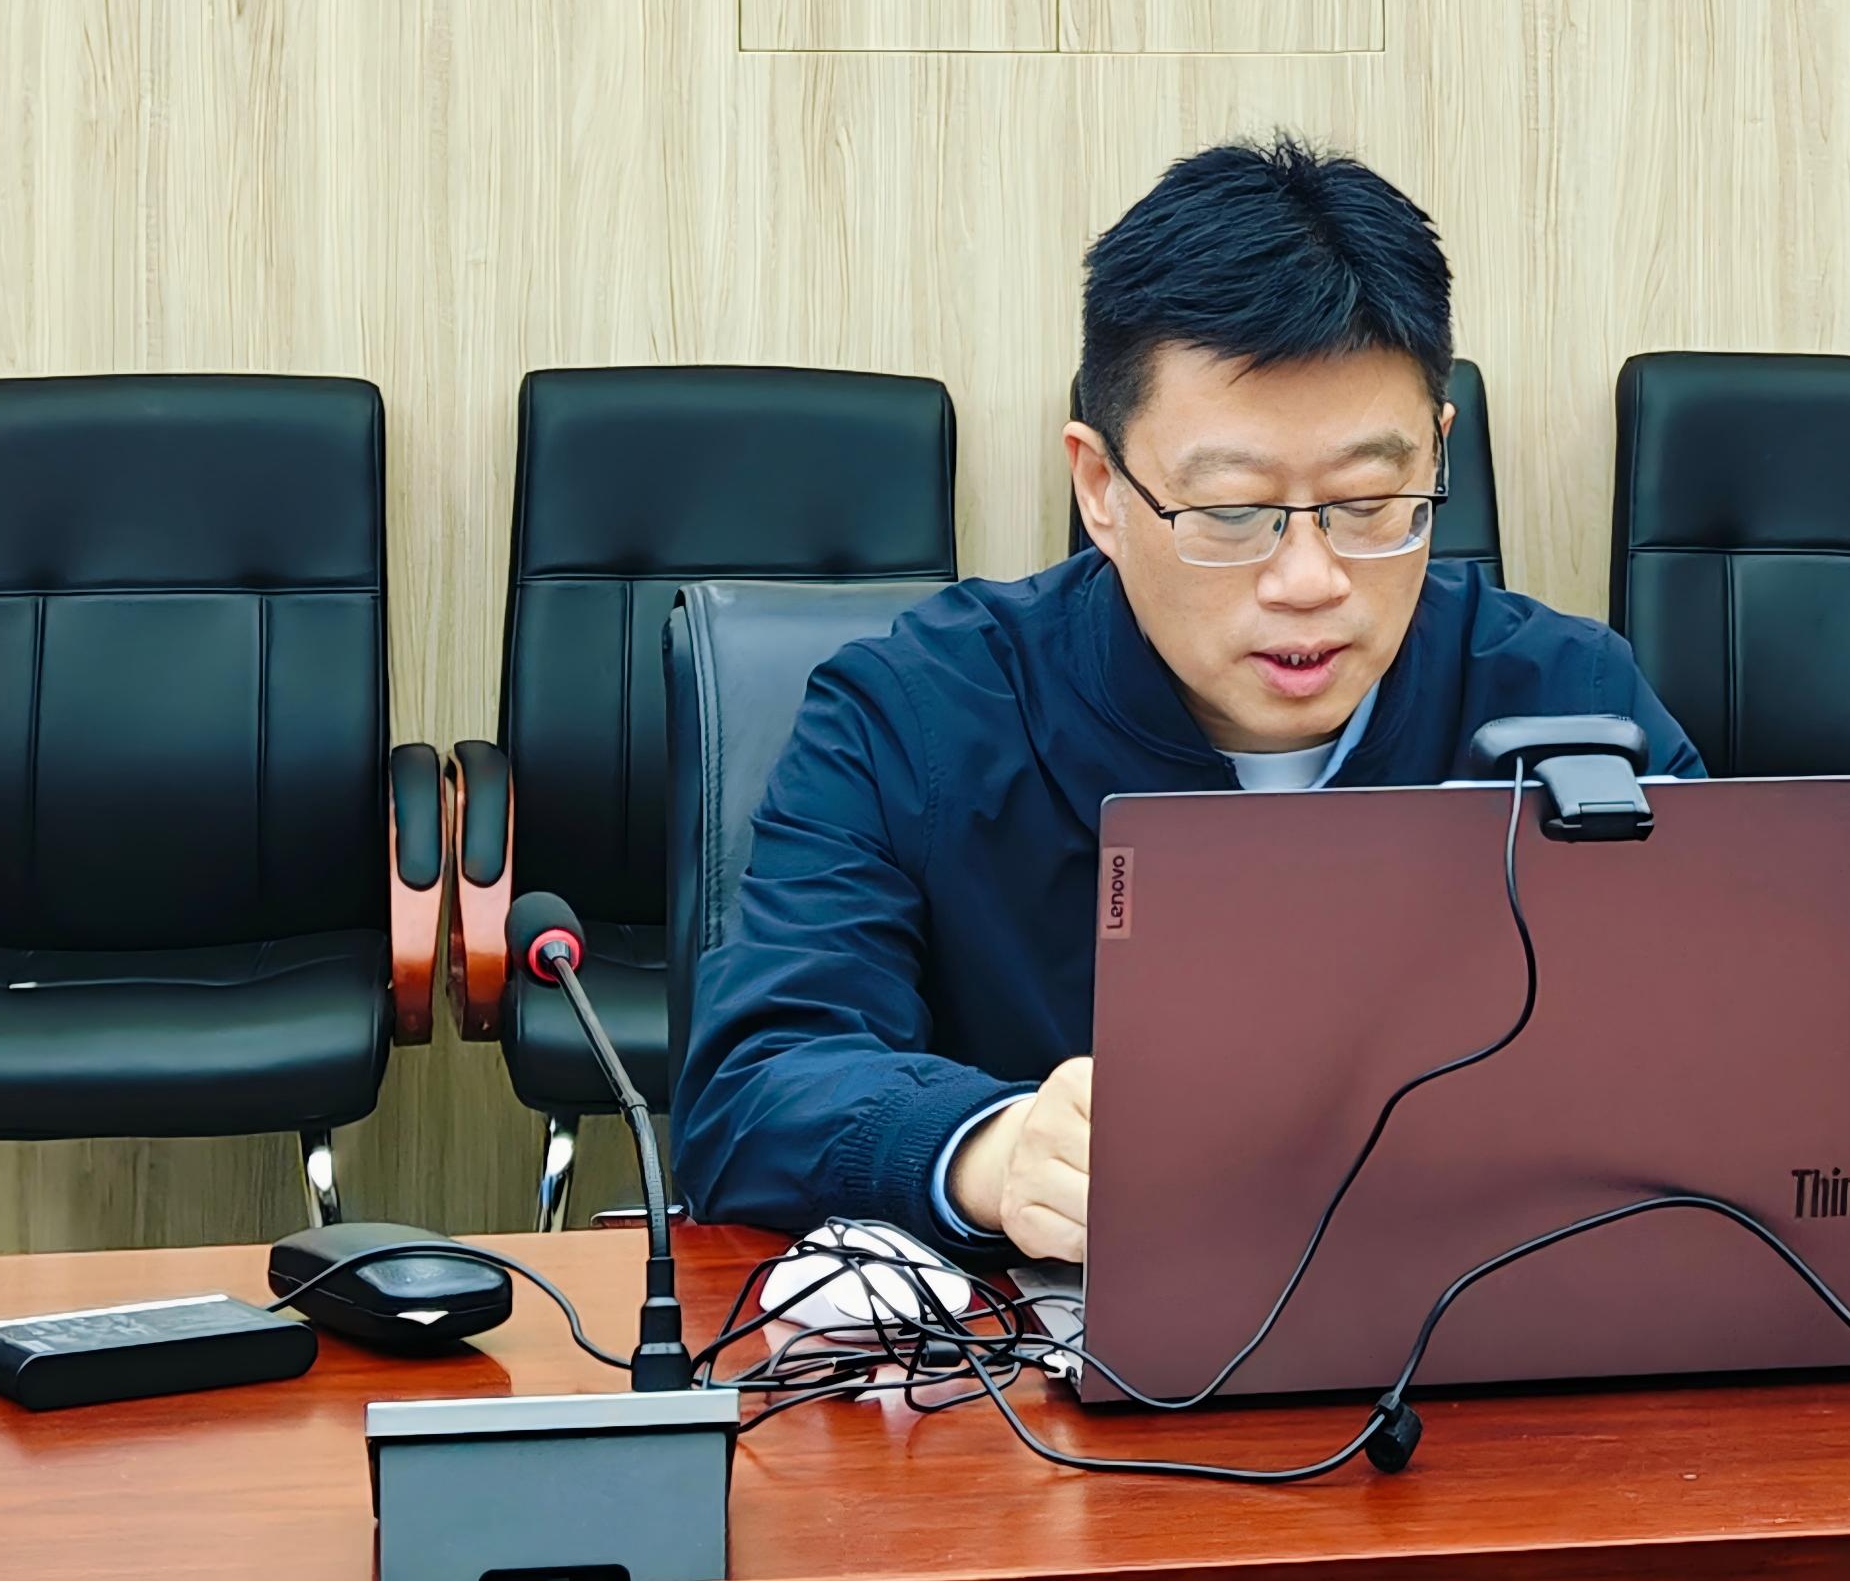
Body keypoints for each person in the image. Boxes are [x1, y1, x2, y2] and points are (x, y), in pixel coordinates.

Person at [672, 137, 1701, 1264]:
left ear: (1437, 452)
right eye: (1231, 511)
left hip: (1491, 1324)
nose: (1308, 579)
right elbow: (755, 1085)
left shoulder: (1571, 700)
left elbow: (1736, 1038)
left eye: (1370, 501)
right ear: (1102, 487)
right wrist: (987, 1150)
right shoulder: (912, 714)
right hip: (1051, 1347)